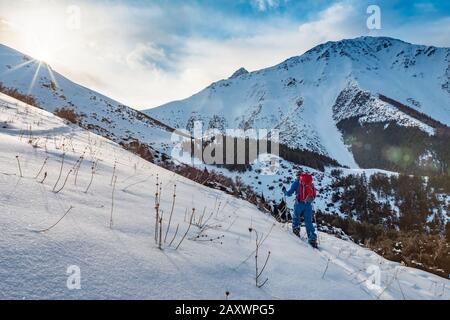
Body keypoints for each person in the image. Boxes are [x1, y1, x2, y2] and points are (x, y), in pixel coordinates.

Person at [282, 171, 318, 248]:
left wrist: (284, 191)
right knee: (308, 222)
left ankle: (296, 230)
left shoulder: (296, 183)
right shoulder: (309, 183)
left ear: (297, 176)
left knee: (296, 217)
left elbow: (289, 193)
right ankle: (312, 238)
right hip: (308, 205)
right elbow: (313, 193)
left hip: (299, 204)